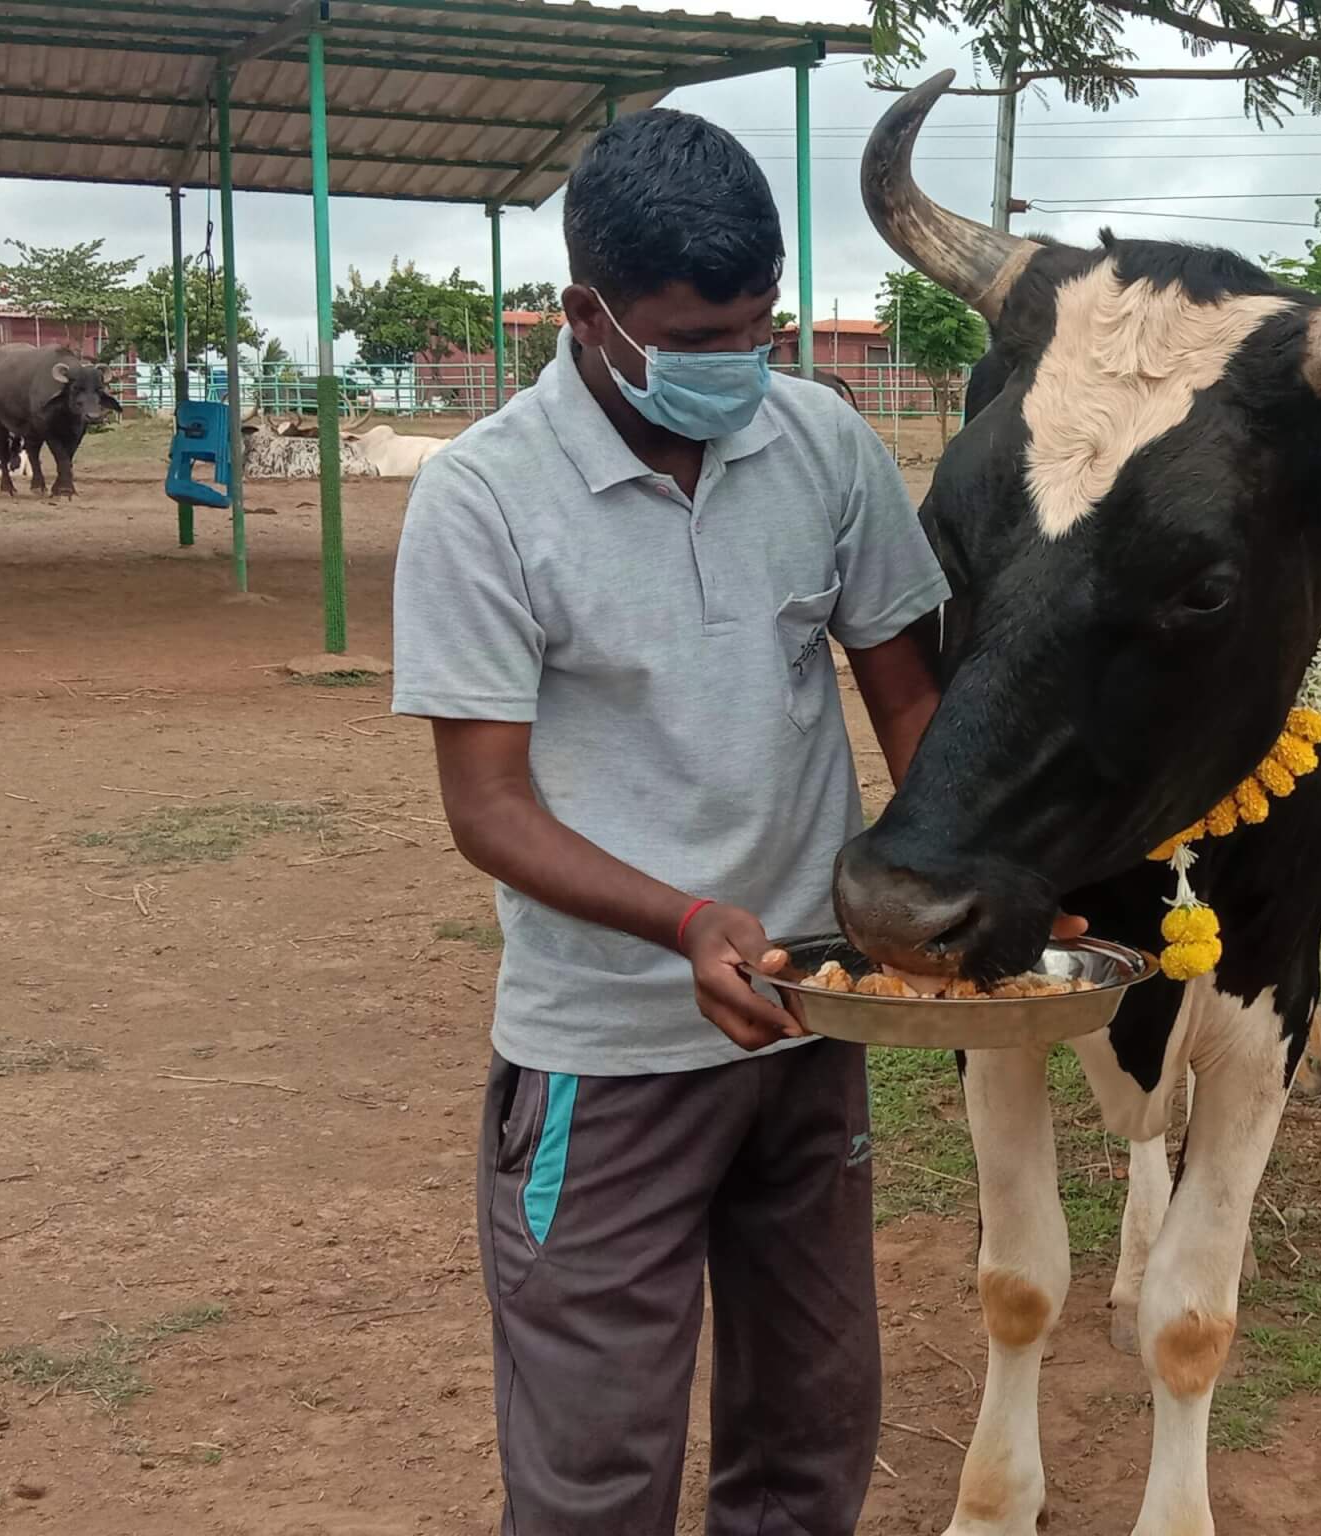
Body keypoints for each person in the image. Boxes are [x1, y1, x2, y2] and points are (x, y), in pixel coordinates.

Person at [390, 108, 949, 1535]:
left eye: (756, 330)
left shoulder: (821, 440)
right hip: (610, 1050)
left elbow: (907, 700)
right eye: (696, 342)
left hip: (809, 1024)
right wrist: (689, 922)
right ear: (587, 313)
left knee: (810, 1437)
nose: (735, 370)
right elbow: (489, 809)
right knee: (595, 1476)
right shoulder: (483, 500)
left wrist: (977, 872)